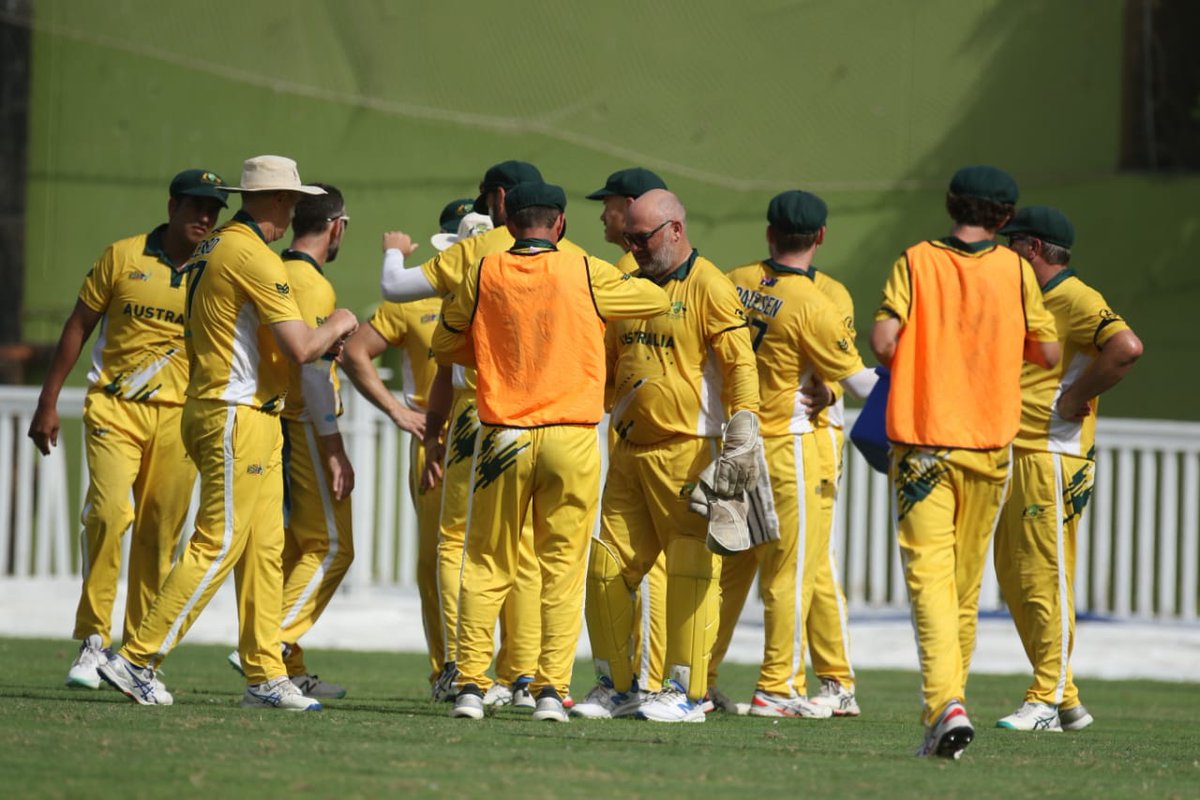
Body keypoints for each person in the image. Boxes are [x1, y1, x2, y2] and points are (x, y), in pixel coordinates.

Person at [97, 155, 360, 710]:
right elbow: (302, 348)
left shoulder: (219, 245)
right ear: (281, 202)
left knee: (264, 550)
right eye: (289, 198)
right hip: (234, 411)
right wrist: (341, 322)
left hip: (237, 409)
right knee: (218, 542)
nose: (292, 209)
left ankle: (265, 675)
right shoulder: (252, 255)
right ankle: (136, 658)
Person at [433, 181, 669, 722]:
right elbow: (654, 299)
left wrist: (494, 345)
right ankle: (549, 691)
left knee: (486, 561)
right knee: (561, 567)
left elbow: (445, 343)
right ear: (559, 224)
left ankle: (471, 684)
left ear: (509, 223)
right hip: (571, 434)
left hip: (504, 433)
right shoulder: (584, 268)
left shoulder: (484, 270)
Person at [376, 162, 591, 706]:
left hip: (485, 411)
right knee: (534, 553)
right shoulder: (575, 260)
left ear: (499, 198)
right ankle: (526, 676)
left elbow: (395, 288)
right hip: (560, 418)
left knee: (463, 544)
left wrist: (394, 250)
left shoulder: (476, 251)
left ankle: (461, 670)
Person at [869, 165, 1060, 758]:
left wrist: (929, 351)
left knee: (929, 578)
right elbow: (1049, 351)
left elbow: (882, 342)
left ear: (952, 204)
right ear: (1005, 219)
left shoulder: (916, 259)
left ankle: (943, 705)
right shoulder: (1016, 270)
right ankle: (950, 705)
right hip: (991, 444)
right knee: (964, 588)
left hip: (925, 439)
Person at [28, 168, 229, 691]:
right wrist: (48, 400)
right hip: (116, 407)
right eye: (196, 207)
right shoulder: (123, 257)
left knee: (160, 535)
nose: (205, 218)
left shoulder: (218, 269)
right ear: (172, 207)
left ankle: (137, 658)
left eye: (213, 210)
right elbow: (78, 325)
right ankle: (94, 640)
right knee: (109, 512)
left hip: (182, 419)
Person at [575, 189, 760, 723]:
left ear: (676, 230)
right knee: (607, 567)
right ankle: (617, 685)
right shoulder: (628, 285)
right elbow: (611, 362)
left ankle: (687, 692)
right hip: (629, 452)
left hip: (688, 451)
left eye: (643, 237)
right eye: (628, 237)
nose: (632, 247)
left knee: (689, 570)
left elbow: (739, 365)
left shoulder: (711, 286)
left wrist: (743, 432)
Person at [713, 190, 877, 718]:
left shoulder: (732, 279)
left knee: (734, 567)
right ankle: (778, 685)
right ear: (821, 237)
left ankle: (697, 677)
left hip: (735, 441)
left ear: (769, 232)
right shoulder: (818, 302)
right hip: (792, 446)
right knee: (794, 570)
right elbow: (859, 384)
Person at [993, 206, 1142, 732]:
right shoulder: (1032, 300)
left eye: (1012, 245)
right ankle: (1068, 699)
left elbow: (1125, 347)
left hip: (1054, 455)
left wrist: (1076, 395)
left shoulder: (1077, 298)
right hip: (1022, 451)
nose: (1006, 254)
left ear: (1032, 248)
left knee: (1044, 575)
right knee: (1014, 577)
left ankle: (1045, 700)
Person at [340, 203, 492, 692]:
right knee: (437, 558)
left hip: (502, 432)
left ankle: (509, 669)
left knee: (503, 555)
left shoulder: (503, 285)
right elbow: (355, 351)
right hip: (438, 438)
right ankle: (449, 666)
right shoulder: (414, 301)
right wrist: (402, 414)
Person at [586, 166, 671, 697]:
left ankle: (646, 676)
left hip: (645, 431)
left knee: (650, 566)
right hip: (632, 425)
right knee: (635, 563)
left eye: (611, 203)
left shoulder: (627, 269)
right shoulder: (630, 268)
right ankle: (637, 676)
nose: (604, 213)